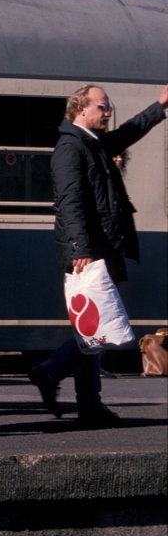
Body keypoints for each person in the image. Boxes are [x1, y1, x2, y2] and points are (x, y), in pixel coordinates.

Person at [29, 83, 168, 428]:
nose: (108, 112)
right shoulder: (70, 149)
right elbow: (70, 201)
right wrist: (80, 248)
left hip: (101, 247)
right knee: (98, 328)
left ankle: (89, 403)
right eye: (103, 107)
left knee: (93, 326)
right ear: (81, 109)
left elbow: (128, 132)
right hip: (89, 251)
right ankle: (50, 372)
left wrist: (160, 106)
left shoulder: (92, 144)